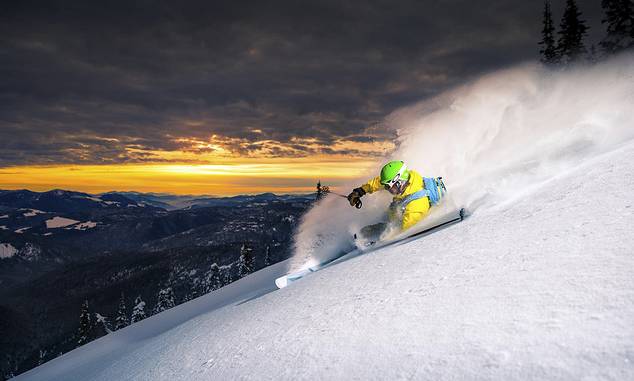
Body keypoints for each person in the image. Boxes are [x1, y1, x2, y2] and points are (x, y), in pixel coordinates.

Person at [347, 160, 445, 239]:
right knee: (367, 230)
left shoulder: (416, 204)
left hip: (397, 221)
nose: (386, 189)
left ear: (399, 182)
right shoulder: (406, 179)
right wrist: (360, 191)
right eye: (386, 186)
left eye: (388, 186)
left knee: (368, 231)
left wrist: (381, 239)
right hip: (395, 212)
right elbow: (379, 182)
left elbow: (404, 231)